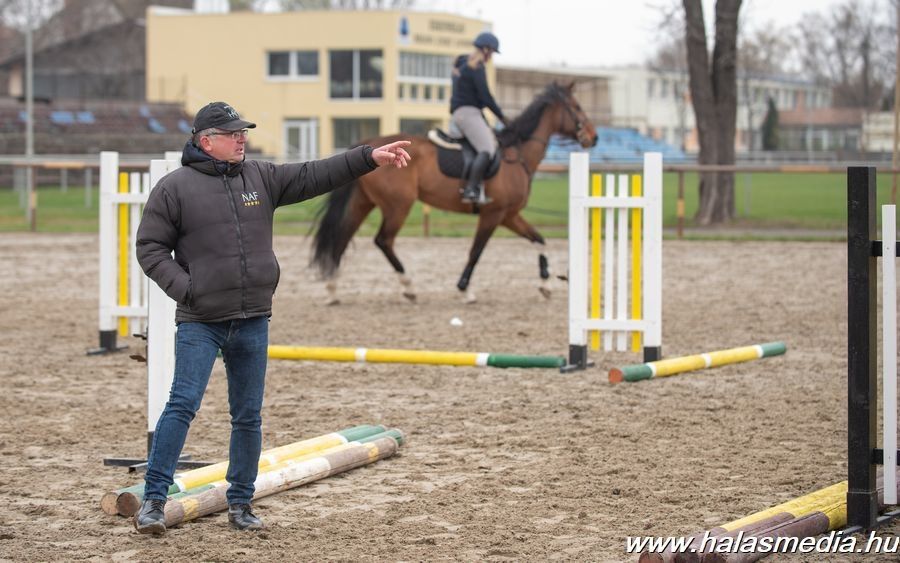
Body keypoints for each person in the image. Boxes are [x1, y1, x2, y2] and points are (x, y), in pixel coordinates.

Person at [132, 101, 410, 534]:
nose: (242, 137)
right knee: (182, 406)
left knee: (248, 415)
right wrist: (188, 290)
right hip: (201, 321)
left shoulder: (260, 177)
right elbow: (149, 248)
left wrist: (368, 157)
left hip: (253, 318)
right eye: (233, 133)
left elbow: (315, 173)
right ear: (207, 141)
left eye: (243, 132)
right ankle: (153, 501)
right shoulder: (174, 188)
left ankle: (240, 503)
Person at [449, 31, 505, 204]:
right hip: (468, 113)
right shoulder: (477, 67)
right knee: (487, 149)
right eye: (492, 53)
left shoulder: (462, 62)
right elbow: (486, 97)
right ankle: (471, 190)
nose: (491, 57)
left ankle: (476, 187)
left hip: (462, 112)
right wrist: (502, 117)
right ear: (486, 49)